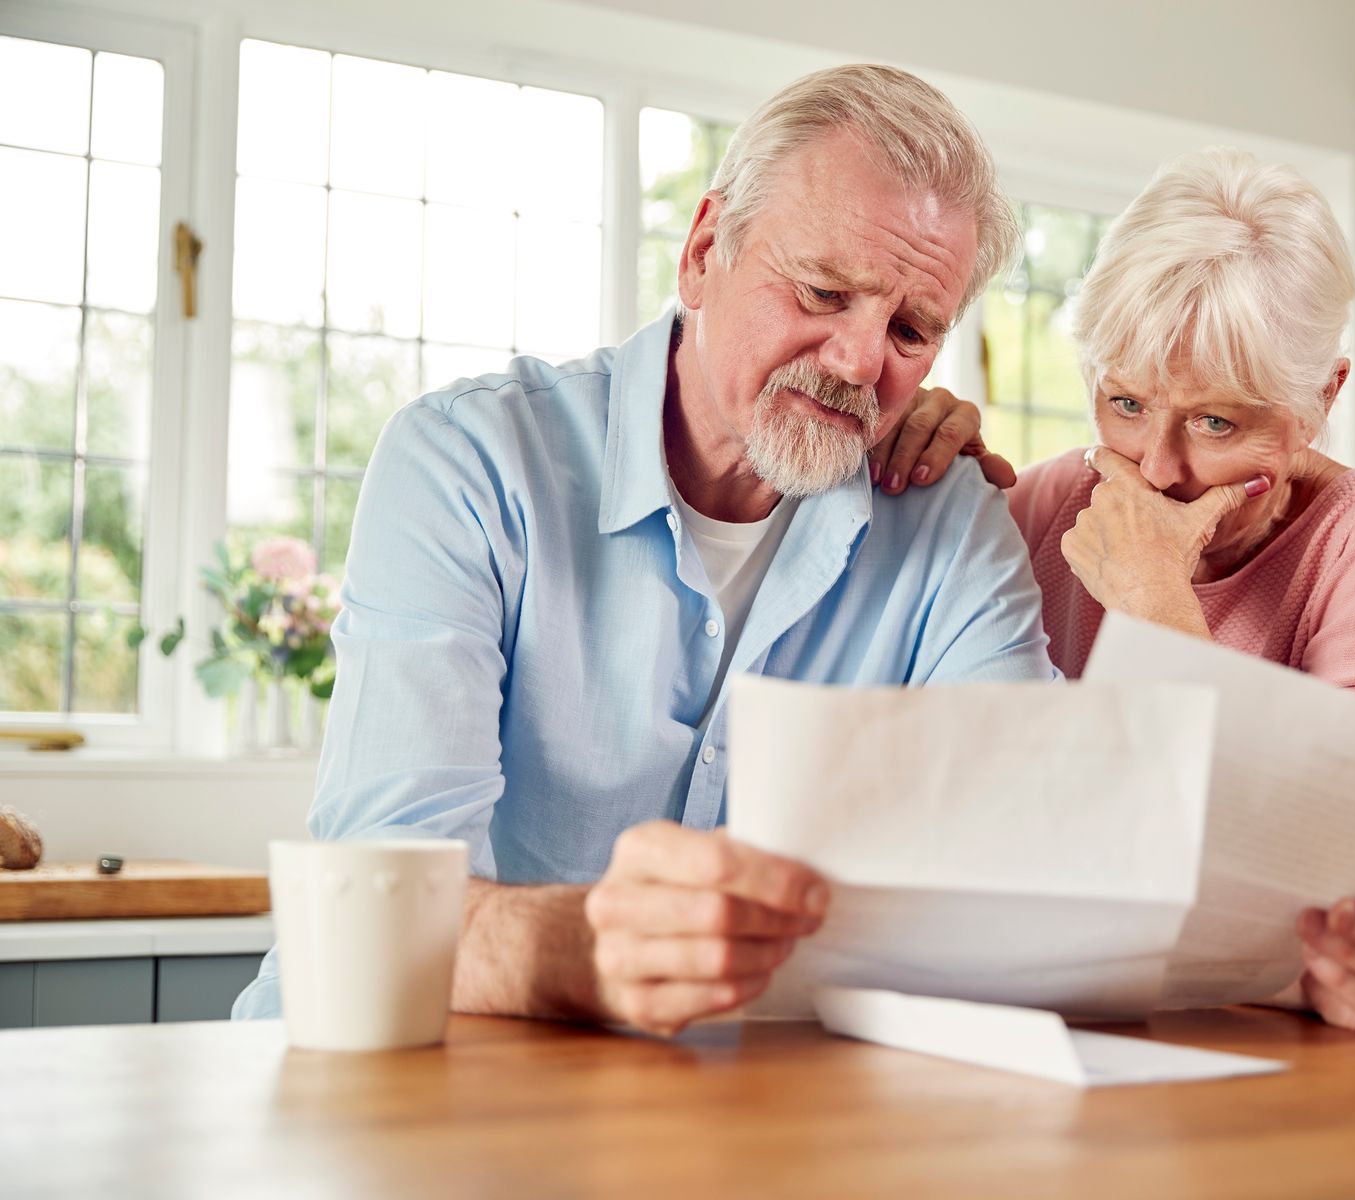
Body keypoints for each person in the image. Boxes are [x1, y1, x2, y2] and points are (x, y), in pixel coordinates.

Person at [233, 64, 1057, 1037]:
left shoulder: (949, 524)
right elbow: (378, 888)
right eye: (827, 291)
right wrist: (596, 948)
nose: (860, 361)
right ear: (704, 251)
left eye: (912, 329)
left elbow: (1020, 867)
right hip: (401, 1079)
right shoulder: (470, 463)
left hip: (717, 1121)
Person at [869, 148, 1355, 1034]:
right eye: (1125, 403)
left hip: (1302, 1045)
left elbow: (1344, 869)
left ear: (1323, 395)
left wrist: (1155, 606)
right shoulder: (1043, 507)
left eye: (1215, 421)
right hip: (1068, 1027)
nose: (1157, 470)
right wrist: (918, 457)